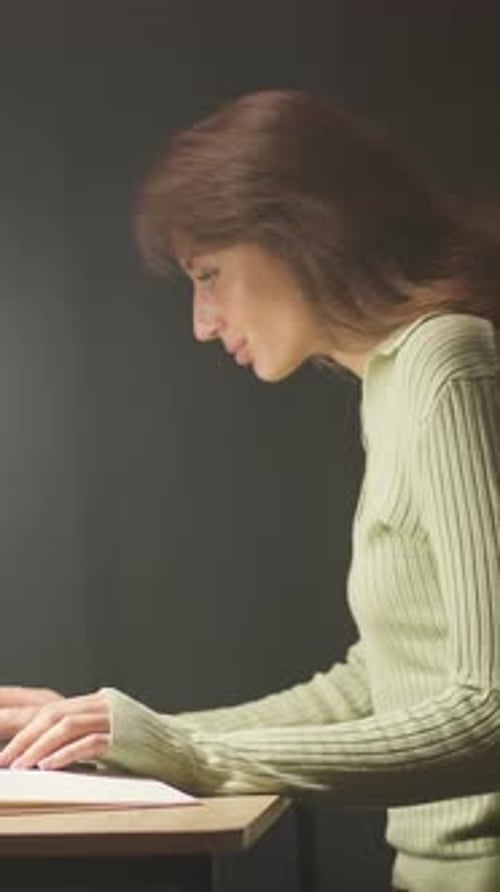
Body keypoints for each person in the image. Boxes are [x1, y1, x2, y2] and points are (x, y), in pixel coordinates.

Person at [0, 90, 499, 891]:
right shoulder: (393, 382)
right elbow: (376, 683)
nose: (202, 321)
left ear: (303, 234)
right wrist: (123, 737)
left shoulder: (448, 363)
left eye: (209, 275)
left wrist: (188, 752)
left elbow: (490, 709)